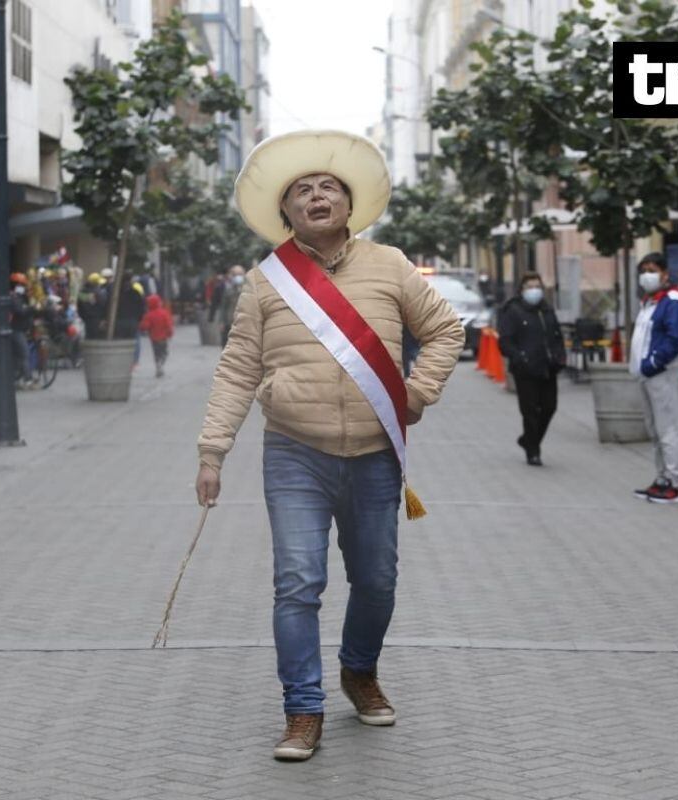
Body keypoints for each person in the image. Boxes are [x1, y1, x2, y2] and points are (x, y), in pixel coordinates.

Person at [195, 130, 464, 762]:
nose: (317, 197)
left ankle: (358, 670)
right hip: (294, 452)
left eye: (328, 188)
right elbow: (237, 370)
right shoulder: (266, 283)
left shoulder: (390, 264)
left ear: (348, 204)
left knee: (376, 581)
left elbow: (446, 330)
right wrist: (213, 452)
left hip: (374, 455)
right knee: (297, 582)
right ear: (285, 212)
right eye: (302, 191)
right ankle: (303, 709)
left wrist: (416, 394)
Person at [630, 253, 678, 504]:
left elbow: (676, 337)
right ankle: (662, 477)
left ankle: (674, 483)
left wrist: (654, 362)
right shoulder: (649, 301)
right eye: (643, 270)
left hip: (662, 374)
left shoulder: (672, 301)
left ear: (665, 274)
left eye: (652, 269)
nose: (647, 274)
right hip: (647, 375)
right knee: (655, 430)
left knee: (668, 430)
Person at [498, 272, 566, 466]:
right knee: (530, 412)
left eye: (537, 286)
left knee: (549, 407)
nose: (534, 290)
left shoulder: (546, 310)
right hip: (525, 370)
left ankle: (528, 440)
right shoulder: (513, 311)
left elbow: (556, 335)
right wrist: (520, 357)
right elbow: (505, 341)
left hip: (548, 367)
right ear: (522, 290)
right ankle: (533, 451)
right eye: (530, 287)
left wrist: (560, 355)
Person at [139, 294, 175, 377]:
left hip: (154, 338)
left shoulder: (148, 315)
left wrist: (142, 327)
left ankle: (158, 365)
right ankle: (161, 363)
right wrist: (170, 333)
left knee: (156, 353)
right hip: (163, 337)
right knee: (164, 352)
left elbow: (144, 326)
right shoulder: (164, 313)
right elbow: (169, 324)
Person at [9, 272, 35, 386]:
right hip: (15, 330)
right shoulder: (14, 297)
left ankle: (16, 378)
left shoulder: (19, 297)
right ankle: (27, 379)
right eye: (21, 285)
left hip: (18, 329)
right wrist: (30, 309)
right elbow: (20, 311)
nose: (23, 287)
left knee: (18, 355)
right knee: (25, 354)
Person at [217, 265, 247, 346]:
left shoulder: (250, 290)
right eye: (235, 274)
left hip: (244, 325)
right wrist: (221, 322)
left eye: (240, 274)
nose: (237, 277)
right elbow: (223, 307)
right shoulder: (228, 290)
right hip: (229, 323)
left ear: (244, 274)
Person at [76, 273, 108, 339]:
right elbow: (103, 305)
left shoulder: (82, 292)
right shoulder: (100, 293)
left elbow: (79, 305)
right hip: (96, 318)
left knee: (86, 336)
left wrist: (81, 315)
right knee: (95, 337)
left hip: (85, 317)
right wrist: (103, 317)